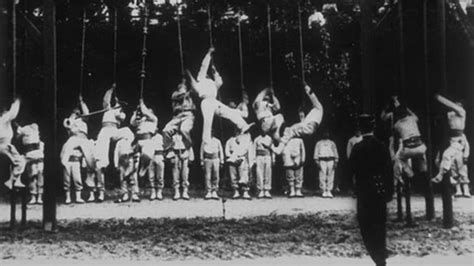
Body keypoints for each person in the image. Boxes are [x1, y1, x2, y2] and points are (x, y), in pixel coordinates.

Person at [349, 114, 393, 266]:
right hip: (379, 190)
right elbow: (389, 170)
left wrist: (353, 188)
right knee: (379, 225)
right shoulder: (382, 146)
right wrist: (389, 192)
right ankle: (381, 257)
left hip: (364, 192)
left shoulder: (357, 148)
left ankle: (377, 257)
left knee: (366, 227)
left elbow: (351, 170)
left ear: (360, 129)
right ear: (373, 127)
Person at [187, 48, 252, 145]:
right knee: (208, 121)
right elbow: (203, 66)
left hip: (214, 102)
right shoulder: (201, 79)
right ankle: (206, 140)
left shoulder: (213, 84)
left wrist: (215, 71)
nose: (208, 75)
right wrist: (208, 53)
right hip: (206, 102)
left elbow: (220, 81)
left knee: (230, 112)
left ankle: (243, 125)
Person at [432, 94, 470, 197]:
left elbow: (451, 106)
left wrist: (439, 98)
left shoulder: (462, 112)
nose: (456, 106)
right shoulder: (450, 114)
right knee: (453, 167)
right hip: (451, 141)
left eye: (458, 105)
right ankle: (458, 190)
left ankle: (466, 191)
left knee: (461, 167)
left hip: (459, 140)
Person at [382, 97, 427, 183]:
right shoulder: (412, 118)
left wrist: (391, 104)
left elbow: (389, 124)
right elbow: (408, 112)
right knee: (421, 159)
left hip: (407, 146)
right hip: (420, 146)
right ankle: (424, 173)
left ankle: (411, 175)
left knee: (398, 158)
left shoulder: (397, 124)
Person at [93, 85, 126, 202]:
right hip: (104, 130)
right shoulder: (107, 108)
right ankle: (101, 191)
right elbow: (106, 100)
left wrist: (117, 108)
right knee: (100, 162)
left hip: (115, 131)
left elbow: (120, 116)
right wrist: (111, 90)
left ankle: (124, 190)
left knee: (127, 136)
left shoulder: (121, 113)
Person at [60, 95, 95, 204]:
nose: (77, 112)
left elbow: (87, 112)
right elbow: (66, 124)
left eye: (78, 112)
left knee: (91, 162)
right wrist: (72, 115)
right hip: (73, 138)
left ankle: (87, 186)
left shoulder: (84, 120)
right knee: (64, 159)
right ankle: (68, 196)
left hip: (84, 139)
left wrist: (81, 102)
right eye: (76, 111)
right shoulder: (70, 121)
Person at [276, 82, 324, 150]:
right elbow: (303, 122)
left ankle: (280, 146)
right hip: (308, 128)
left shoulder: (318, 107)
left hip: (309, 128)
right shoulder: (313, 113)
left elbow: (312, 96)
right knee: (289, 130)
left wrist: (306, 86)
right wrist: (301, 113)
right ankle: (281, 143)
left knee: (291, 130)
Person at [130, 99, 158, 194]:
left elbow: (147, 113)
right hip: (138, 141)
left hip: (148, 140)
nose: (145, 113)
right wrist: (136, 112)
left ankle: (144, 167)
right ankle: (135, 190)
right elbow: (132, 122)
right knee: (134, 167)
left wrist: (142, 105)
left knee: (147, 155)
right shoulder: (141, 121)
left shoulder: (154, 120)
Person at [162, 79, 196, 155]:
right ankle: (168, 148)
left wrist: (189, 80)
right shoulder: (175, 94)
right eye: (181, 88)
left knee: (184, 130)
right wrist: (183, 87)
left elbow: (194, 90)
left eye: (184, 88)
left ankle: (189, 146)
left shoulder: (189, 94)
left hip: (187, 115)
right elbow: (180, 95)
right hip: (177, 116)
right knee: (166, 130)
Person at [17, 123, 44, 205]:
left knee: (40, 173)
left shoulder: (36, 127)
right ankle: (33, 196)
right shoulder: (24, 129)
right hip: (29, 154)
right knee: (32, 175)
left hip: (39, 153)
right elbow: (18, 137)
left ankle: (39, 197)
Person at [1, 99, 25, 190]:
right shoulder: (4, 118)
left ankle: (14, 180)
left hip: (4, 145)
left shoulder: (4, 121)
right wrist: (17, 101)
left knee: (15, 163)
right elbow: (13, 113)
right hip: (4, 146)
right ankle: (12, 180)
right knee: (21, 161)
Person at [113, 127, 140, 203]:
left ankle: (134, 194)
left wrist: (136, 163)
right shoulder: (119, 142)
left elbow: (137, 152)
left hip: (131, 159)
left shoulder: (133, 141)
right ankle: (125, 193)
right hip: (121, 161)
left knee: (133, 176)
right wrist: (116, 164)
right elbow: (116, 153)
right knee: (122, 177)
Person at [225, 131, 253, 199]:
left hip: (242, 159)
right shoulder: (229, 141)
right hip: (232, 159)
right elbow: (227, 151)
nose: (237, 133)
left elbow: (248, 150)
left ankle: (245, 192)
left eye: (239, 131)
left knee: (244, 175)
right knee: (233, 176)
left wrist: (242, 158)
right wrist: (232, 158)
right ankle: (236, 191)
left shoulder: (245, 140)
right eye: (236, 131)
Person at [314, 132, 339, 198]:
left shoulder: (332, 143)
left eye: (327, 133)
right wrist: (317, 161)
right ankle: (324, 190)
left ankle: (329, 190)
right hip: (322, 160)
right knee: (322, 175)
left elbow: (335, 152)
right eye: (325, 133)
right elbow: (316, 152)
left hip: (331, 160)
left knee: (331, 175)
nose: (326, 134)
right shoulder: (319, 143)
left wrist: (336, 161)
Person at [171, 133, 194, 200]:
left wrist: (190, 157)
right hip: (176, 156)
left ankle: (185, 191)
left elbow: (189, 147)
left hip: (185, 155)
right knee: (175, 174)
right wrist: (171, 157)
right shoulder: (173, 137)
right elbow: (170, 147)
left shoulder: (186, 136)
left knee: (185, 174)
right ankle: (176, 191)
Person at [253, 133, 276, 198]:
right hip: (259, 156)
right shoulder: (257, 139)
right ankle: (261, 190)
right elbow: (253, 149)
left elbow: (273, 149)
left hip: (267, 156)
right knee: (259, 173)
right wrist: (254, 159)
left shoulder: (269, 138)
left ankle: (267, 190)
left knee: (268, 173)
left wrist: (273, 158)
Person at [200, 135, 224, 200]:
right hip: (207, 159)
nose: (211, 133)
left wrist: (222, 160)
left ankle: (215, 191)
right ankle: (208, 191)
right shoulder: (205, 140)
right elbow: (201, 151)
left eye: (213, 131)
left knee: (216, 175)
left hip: (215, 158)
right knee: (208, 176)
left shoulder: (217, 140)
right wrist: (202, 161)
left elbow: (221, 150)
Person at [149, 130, 164, 200]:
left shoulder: (160, 136)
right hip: (150, 156)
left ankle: (159, 191)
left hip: (159, 155)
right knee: (151, 175)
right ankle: (153, 191)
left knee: (160, 175)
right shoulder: (147, 137)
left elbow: (165, 146)